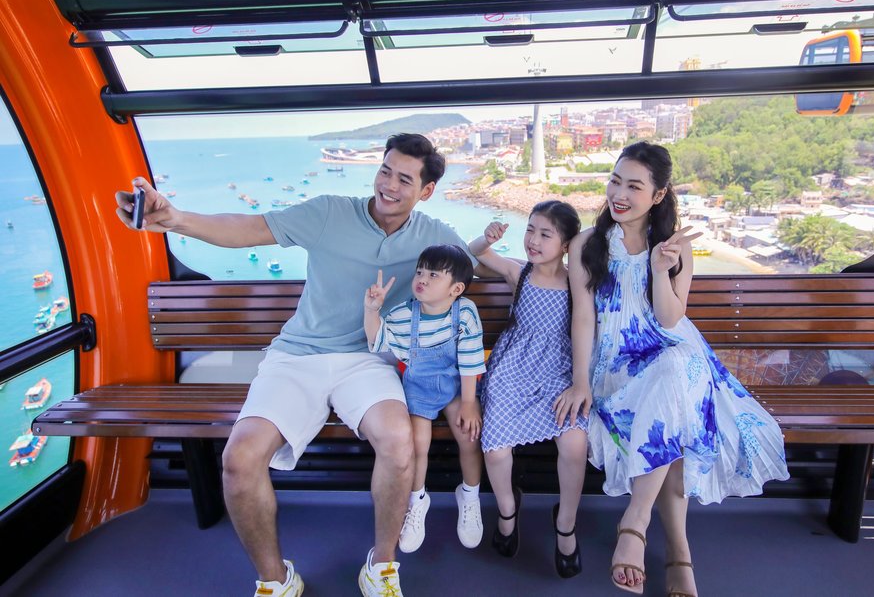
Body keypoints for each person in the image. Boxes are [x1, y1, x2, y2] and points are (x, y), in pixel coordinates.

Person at [114, 133, 476, 597]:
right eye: (385, 169)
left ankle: (381, 565)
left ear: (425, 191)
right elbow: (248, 228)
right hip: (297, 355)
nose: (388, 184)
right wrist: (173, 219)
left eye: (404, 179)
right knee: (239, 460)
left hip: (367, 360)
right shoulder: (328, 212)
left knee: (399, 442)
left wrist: (552, 271)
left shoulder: (433, 234)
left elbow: (479, 262)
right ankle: (276, 580)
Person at [558, 142, 789, 596]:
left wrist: (662, 269)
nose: (619, 194)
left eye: (634, 186)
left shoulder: (674, 248)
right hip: (616, 364)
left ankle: (636, 522)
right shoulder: (587, 244)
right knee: (676, 419)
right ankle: (680, 554)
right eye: (615, 180)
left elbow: (669, 320)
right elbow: (583, 316)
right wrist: (581, 380)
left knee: (675, 374)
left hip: (672, 351)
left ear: (659, 195)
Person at [467, 201, 589, 578]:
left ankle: (565, 523)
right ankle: (507, 508)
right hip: (513, 368)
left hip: (559, 370)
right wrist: (485, 238)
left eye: (545, 234)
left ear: (567, 244)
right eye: (530, 230)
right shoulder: (519, 273)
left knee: (574, 443)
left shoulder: (576, 283)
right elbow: (474, 255)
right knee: (497, 446)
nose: (533, 240)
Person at [363, 244, 486, 554]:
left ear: (455, 288)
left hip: (458, 387)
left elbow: (470, 358)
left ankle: (469, 495)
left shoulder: (465, 312)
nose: (422, 279)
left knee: (469, 435)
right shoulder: (404, 314)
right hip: (418, 389)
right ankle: (417, 500)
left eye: (434, 274)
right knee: (418, 444)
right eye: (420, 271)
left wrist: (470, 403)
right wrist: (372, 311)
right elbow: (379, 343)